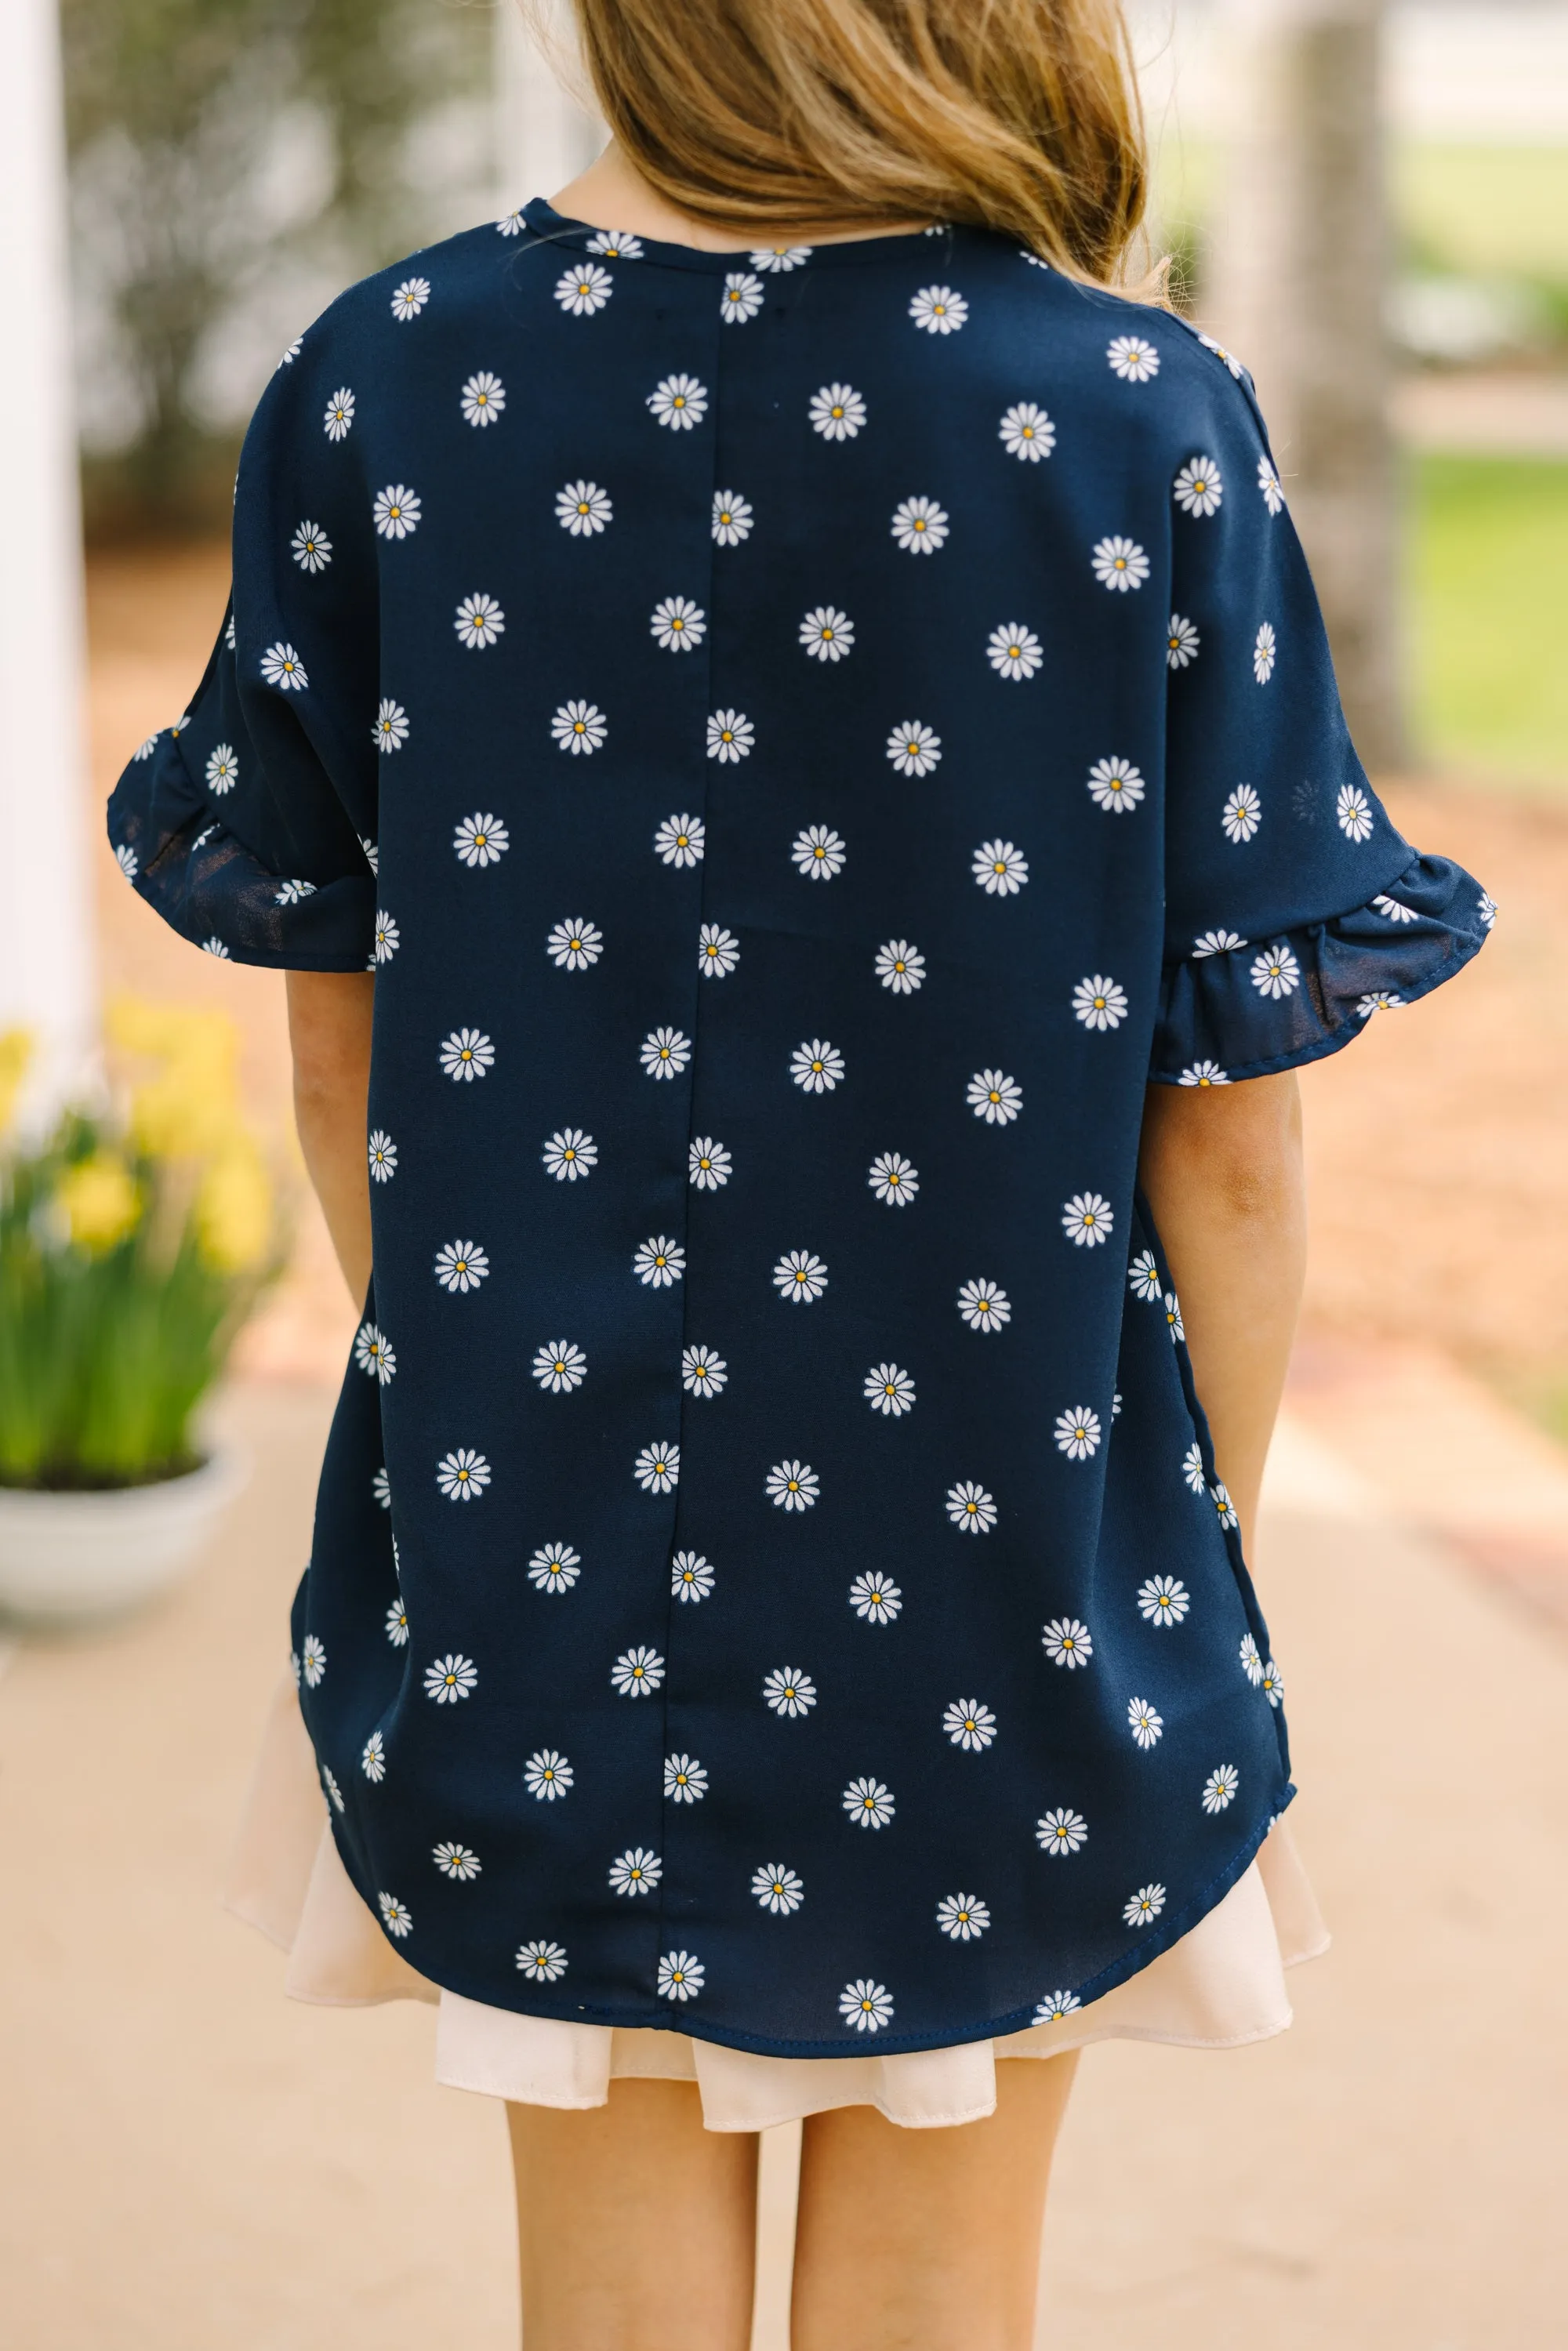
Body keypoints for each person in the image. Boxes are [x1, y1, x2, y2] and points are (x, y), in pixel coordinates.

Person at [107, 1, 1492, 2340]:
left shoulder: (385, 380)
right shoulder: (1133, 412)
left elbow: (334, 1050)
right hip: (1007, 1561)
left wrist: (476, 1399)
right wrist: (1201, 1545)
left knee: (609, 2296)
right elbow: (1228, 1142)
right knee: (944, 2291)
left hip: (532, 1547)